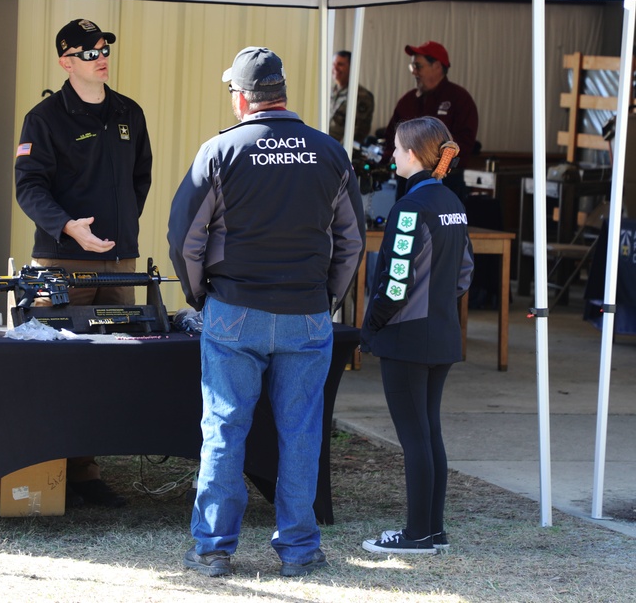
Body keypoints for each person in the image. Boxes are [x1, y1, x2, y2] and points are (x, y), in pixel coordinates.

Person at [168, 46, 365, 577]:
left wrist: (200, 296)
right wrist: (327, 299)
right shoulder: (329, 153)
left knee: (224, 428)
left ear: (241, 97)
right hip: (306, 312)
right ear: (281, 92)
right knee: (300, 430)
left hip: (234, 308)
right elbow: (352, 241)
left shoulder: (220, 151)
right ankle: (300, 551)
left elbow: (184, 238)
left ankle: (213, 550)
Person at [14, 18, 152, 508]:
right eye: (89, 51)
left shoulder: (128, 113)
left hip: (119, 262)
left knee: (110, 362)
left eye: (104, 48)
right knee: (61, 363)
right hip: (63, 262)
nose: (100, 57)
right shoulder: (45, 118)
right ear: (65, 62)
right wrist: (69, 226)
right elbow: (28, 186)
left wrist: (120, 230)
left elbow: (141, 178)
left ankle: (88, 470)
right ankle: (50, 466)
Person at [359, 116, 474, 555]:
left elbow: (394, 281)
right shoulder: (452, 202)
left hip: (407, 336)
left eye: (395, 148)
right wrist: (439, 301)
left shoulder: (412, 206)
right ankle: (432, 530)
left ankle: (417, 535)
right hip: (441, 332)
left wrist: (369, 329)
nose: (391, 154)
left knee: (415, 437)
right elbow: (464, 272)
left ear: (412, 154)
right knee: (429, 433)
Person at [381, 41, 478, 197]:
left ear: (437, 67)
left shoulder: (460, 99)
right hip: (408, 183)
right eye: (412, 67)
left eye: (418, 66)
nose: (414, 72)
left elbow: (463, 144)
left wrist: (437, 173)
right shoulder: (407, 100)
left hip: (446, 184)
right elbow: (390, 139)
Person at [328, 50, 375, 152]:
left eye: (340, 64)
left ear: (351, 67)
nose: (335, 68)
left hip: (343, 153)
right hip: (326, 147)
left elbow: (355, 132)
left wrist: (335, 153)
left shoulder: (361, 96)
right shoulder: (330, 91)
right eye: (333, 64)